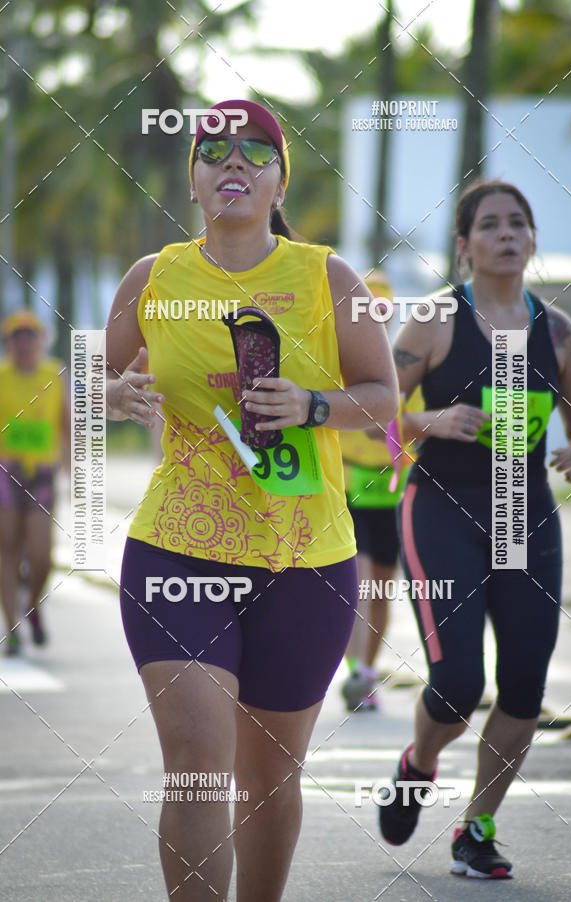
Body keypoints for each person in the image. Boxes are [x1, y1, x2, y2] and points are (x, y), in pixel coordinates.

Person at [106, 98, 398, 902]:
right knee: (199, 767)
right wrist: (114, 395)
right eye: (213, 149)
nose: (233, 160)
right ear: (193, 182)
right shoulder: (153, 278)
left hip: (305, 558)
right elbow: (95, 379)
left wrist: (312, 404)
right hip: (178, 550)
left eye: (256, 151)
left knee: (269, 775)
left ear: (279, 184)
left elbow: (383, 397)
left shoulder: (327, 277)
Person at [378, 179, 571, 879]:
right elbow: (372, 411)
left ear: (532, 240)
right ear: (465, 246)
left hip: (522, 510)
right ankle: (419, 762)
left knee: (526, 684)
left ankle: (476, 828)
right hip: (442, 505)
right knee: (456, 683)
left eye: (518, 224)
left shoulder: (556, 333)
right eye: (491, 225)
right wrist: (428, 420)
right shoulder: (435, 320)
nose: (507, 234)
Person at [339, 271, 404, 712]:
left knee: (382, 590)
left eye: (384, 311)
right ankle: (355, 673)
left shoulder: (405, 362)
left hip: (394, 495)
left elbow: (418, 425)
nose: (378, 318)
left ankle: (366, 671)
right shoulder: (342, 363)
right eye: (369, 311)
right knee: (360, 585)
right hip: (351, 488)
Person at [0, 311, 69, 655]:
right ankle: (12, 629)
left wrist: (71, 467)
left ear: (40, 341)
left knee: (42, 556)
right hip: (6, 473)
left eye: (30, 337)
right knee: (8, 550)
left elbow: (67, 424)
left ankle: (32, 605)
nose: (24, 344)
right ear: (9, 343)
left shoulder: (53, 375)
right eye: (17, 338)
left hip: (42, 475)